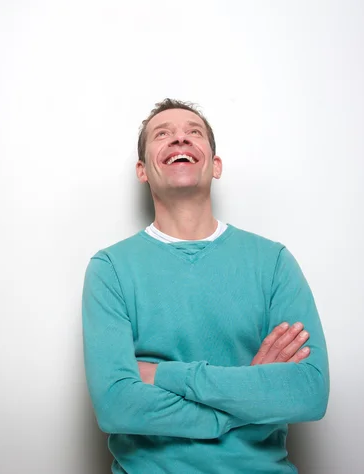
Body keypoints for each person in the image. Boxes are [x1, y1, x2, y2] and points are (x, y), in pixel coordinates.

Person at [82, 99, 329, 473]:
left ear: (215, 165)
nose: (180, 138)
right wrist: (243, 399)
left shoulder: (273, 262)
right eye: (162, 134)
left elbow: (309, 392)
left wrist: (162, 374)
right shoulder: (110, 269)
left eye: (193, 132)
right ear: (142, 170)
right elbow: (117, 405)